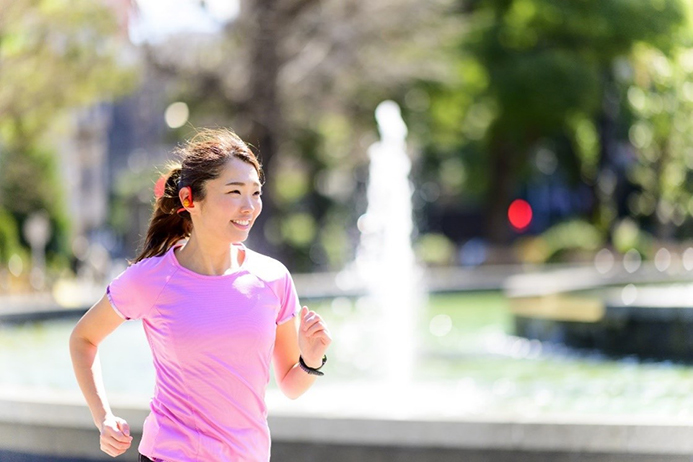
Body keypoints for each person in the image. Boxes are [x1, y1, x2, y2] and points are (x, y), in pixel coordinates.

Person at [69, 128, 331, 461]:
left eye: (255, 192)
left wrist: (312, 358)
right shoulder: (152, 279)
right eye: (234, 192)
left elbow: (291, 385)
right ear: (190, 199)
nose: (249, 206)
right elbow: (83, 339)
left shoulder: (273, 278)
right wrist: (102, 417)